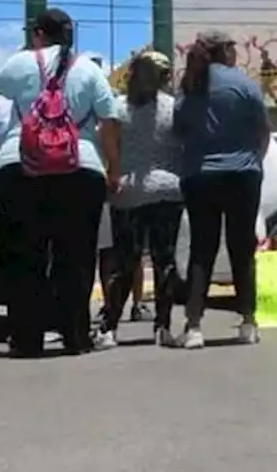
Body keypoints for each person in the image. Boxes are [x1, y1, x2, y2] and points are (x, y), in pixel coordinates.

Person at [0, 8, 121, 357]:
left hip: (21, 165)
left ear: (37, 33)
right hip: (81, 167)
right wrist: (114, 168)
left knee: (24, 255)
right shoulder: (90, 70)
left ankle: (26, 337)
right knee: (76, 256)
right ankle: (76, 335)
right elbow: (109, 121)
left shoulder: (21, 62)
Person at [174, 31, 271, 348]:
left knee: (202, 249)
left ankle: (194, 326)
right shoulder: (244, 84)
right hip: (242, 173)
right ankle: (247, 322)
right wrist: (253, 159)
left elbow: (179, 130)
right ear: (226, 51)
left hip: (199, 175)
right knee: (242, 248)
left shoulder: (190, 84)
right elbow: (262, 131)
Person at [95, 50, 184, 349]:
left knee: (125, 262)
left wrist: (115, 169)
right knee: (165, 260)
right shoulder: (174, 108)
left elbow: (106, 138)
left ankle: (109, 328)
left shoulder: (118, 108)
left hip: (128, 191)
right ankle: (163, 326)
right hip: (168, 191)